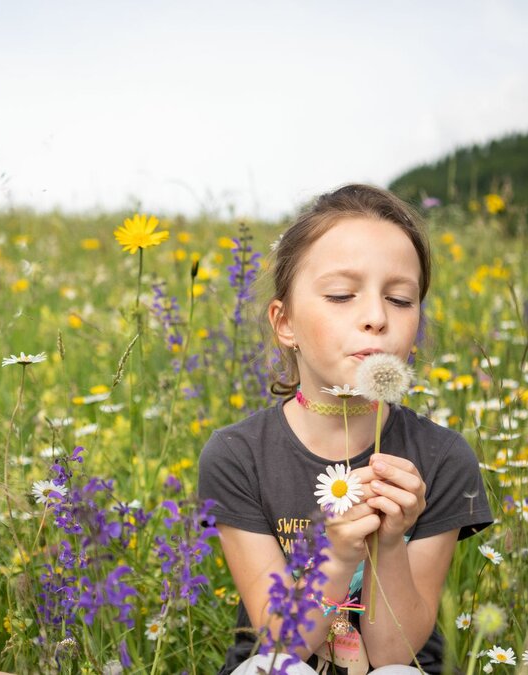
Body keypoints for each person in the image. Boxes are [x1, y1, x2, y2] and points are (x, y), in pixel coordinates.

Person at [198, 184, 493, 675]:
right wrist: (335, 556)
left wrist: (390, 541)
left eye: (400, 299)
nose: (376, 318)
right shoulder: (237, 456)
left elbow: (395, 653)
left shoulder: (442, 458)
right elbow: (281, 642)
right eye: (341, 295)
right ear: (284, 322)